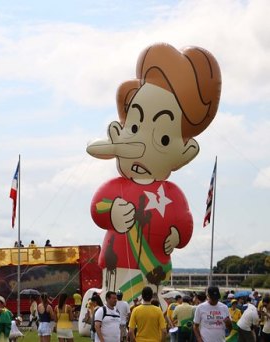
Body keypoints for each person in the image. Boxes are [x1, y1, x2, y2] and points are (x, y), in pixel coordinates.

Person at [87, 44, 221, 302]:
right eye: (134, 126)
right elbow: (98, 208)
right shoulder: (115, 186)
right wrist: (111, 210)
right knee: (114, 294)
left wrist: (177, 236)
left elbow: (184, 221)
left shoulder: (171, 192)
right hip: (118, 263)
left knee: (150, 299)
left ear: (186, 151)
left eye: (163, 138)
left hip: (155, 266)